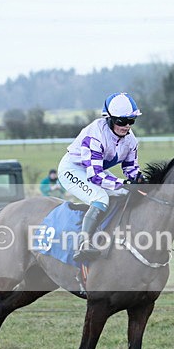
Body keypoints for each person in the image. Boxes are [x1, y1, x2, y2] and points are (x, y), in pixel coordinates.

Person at [57, 92, 143, 262]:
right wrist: (123, 183)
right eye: (121, 121)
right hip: (73, 169)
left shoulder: (131, 140)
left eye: (131, 121)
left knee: (125, 195)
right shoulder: (94, 134)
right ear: (109, 118)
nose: (126, 126)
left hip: (95, 170)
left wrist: (141, 181)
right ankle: (83, 244)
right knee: (100, 196)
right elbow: (95, 176)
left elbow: (131, 168)